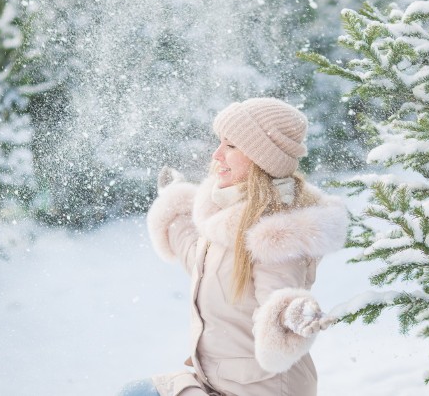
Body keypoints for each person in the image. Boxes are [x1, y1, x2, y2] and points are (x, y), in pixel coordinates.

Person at [120, 98, 348, 396]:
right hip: (217, 381)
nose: (217, 155)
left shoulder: (273, 233)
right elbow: (199, 260)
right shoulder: (227, 215)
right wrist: (174, 207)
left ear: (259, 158)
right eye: (220, 143)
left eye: (230, 146)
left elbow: (278, 297)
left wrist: (289, 314)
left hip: (261, 389)